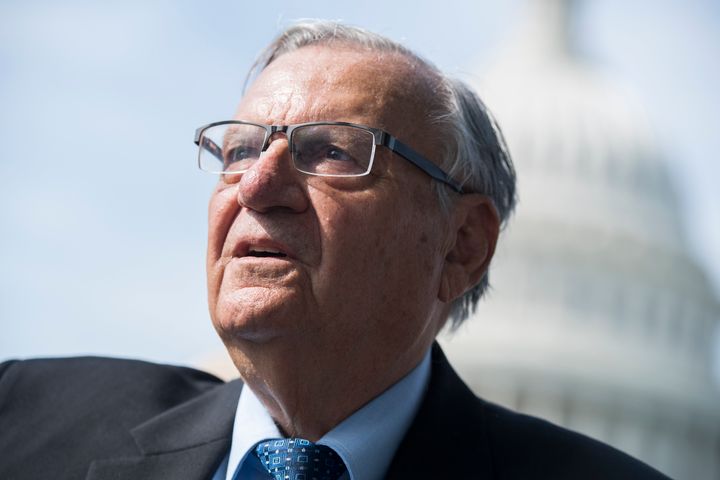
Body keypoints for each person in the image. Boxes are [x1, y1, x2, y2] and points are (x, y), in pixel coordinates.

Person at [0, 21, 668, 480]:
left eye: (333, 150)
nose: (258, 185)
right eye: (239, 149)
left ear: (462, 246)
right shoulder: (24, 418)